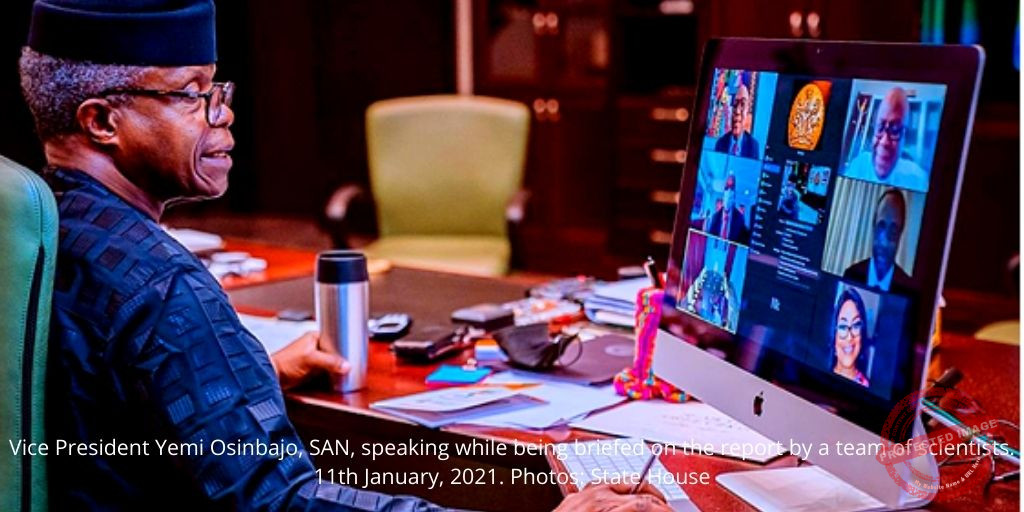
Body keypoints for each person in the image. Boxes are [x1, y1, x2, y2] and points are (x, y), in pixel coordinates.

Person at [21, 1, 671, 511]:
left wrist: (247, 373)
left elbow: (96, 408)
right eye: (193, 94)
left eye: (220, 91)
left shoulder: (35, 226)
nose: (222, 119)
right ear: (102, 121)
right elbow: (280, 501)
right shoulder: (164, 288)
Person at [843, 87, 929, 192]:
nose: (884, 142)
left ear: (904, 138)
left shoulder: (919, 180)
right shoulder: (858, 165)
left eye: (895, 130)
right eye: (880, 127)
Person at [843, 189, 912, 293]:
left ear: (900, 234)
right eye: (881, 226)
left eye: (893, 231)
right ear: (873, 227)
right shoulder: (851, 275)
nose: (884, 243)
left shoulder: (908, 289)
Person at [831, 287, 870, 387]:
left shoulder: (867, 386)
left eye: (856, 325)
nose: (849, 337)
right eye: (843, 326)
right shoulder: (817, 375)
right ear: (834, 334)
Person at [713, 83, 760, 159]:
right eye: (735, 104)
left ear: (748, 111)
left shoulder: (753, 146)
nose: (737, 111)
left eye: (743, 104)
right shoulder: (720, 143)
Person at [705, 174, 751, 244]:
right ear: (723, 192)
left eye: (731, 188)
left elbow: (745, 241)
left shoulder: (740, 218)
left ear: (734, 193)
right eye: (727, 187)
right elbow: (709, 239)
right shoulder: (715, 217)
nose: (729, 191)